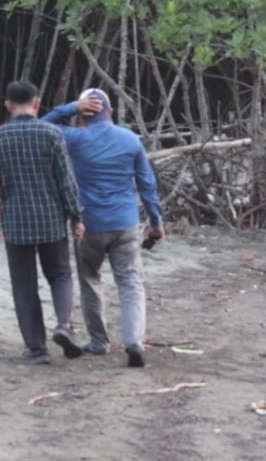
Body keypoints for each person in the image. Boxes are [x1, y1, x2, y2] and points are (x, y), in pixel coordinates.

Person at [41, 88, 165, 368]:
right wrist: (156, 222)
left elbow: (42, 125)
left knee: (89, 279)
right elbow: (147, 185)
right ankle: (133, 340)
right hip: (125, 222)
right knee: (130, 281)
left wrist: (71, 106)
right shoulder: (130, 139)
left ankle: (99, 341)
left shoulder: (76, 138)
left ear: (85, 116)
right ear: (111, 112)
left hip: (89, 223)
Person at [0, 80, 86, 365]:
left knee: (24, 286)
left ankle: (36, 349)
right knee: (61, 274)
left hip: (16, 221)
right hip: (51, 218)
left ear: (7, 105)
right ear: (37, 103)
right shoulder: (51, 133)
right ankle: (63, 324)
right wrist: (76, 216)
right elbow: (66, 180)